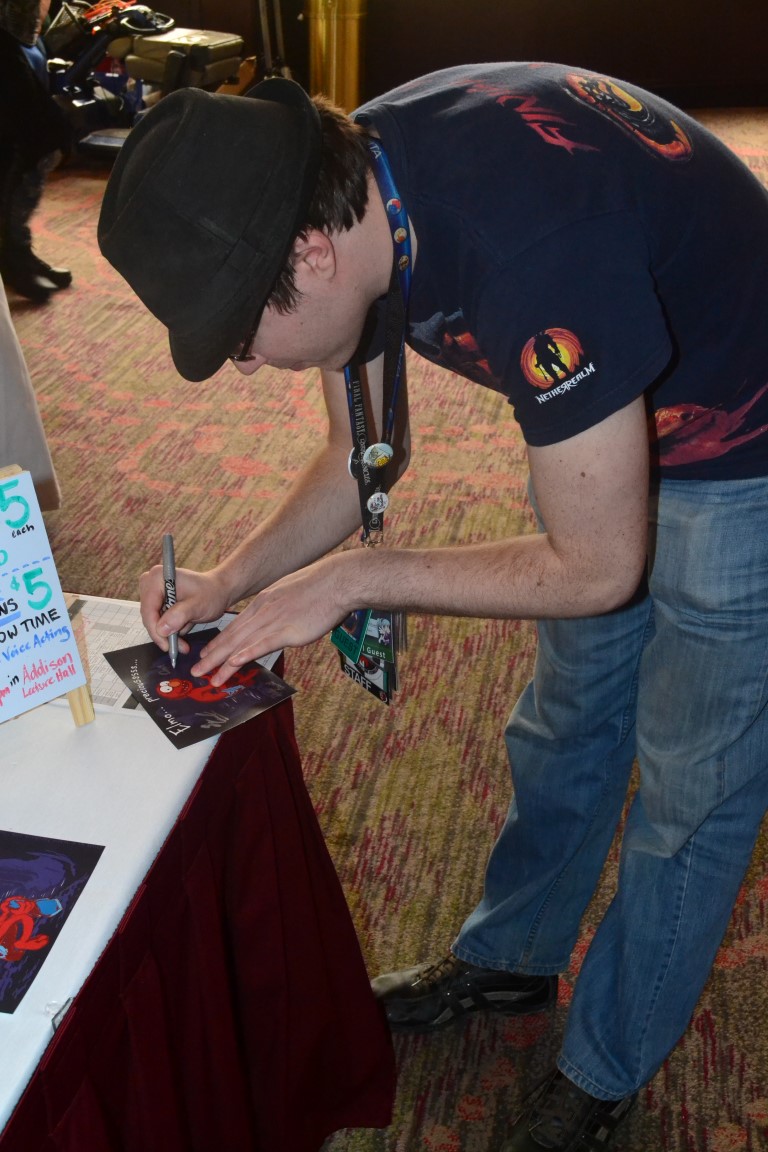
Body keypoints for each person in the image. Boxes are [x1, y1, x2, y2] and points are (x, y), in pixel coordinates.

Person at [97, 64, 768, 1150]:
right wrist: (230, 578)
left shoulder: (532, 244)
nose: (244, 367)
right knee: (568, 719)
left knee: (694, 785)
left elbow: (597, 568)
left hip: (745, 428)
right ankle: (513, 956)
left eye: (238, 336)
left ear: (308, 258)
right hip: (604, 396)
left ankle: (605, 1067)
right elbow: (358, 457)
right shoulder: (349, 191)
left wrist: (357, 579)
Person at [0, 0, 73, 301]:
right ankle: (12, 260)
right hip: (5, 41)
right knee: (26, 146)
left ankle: (18, 252)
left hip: (22, 37)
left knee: (38, 145)